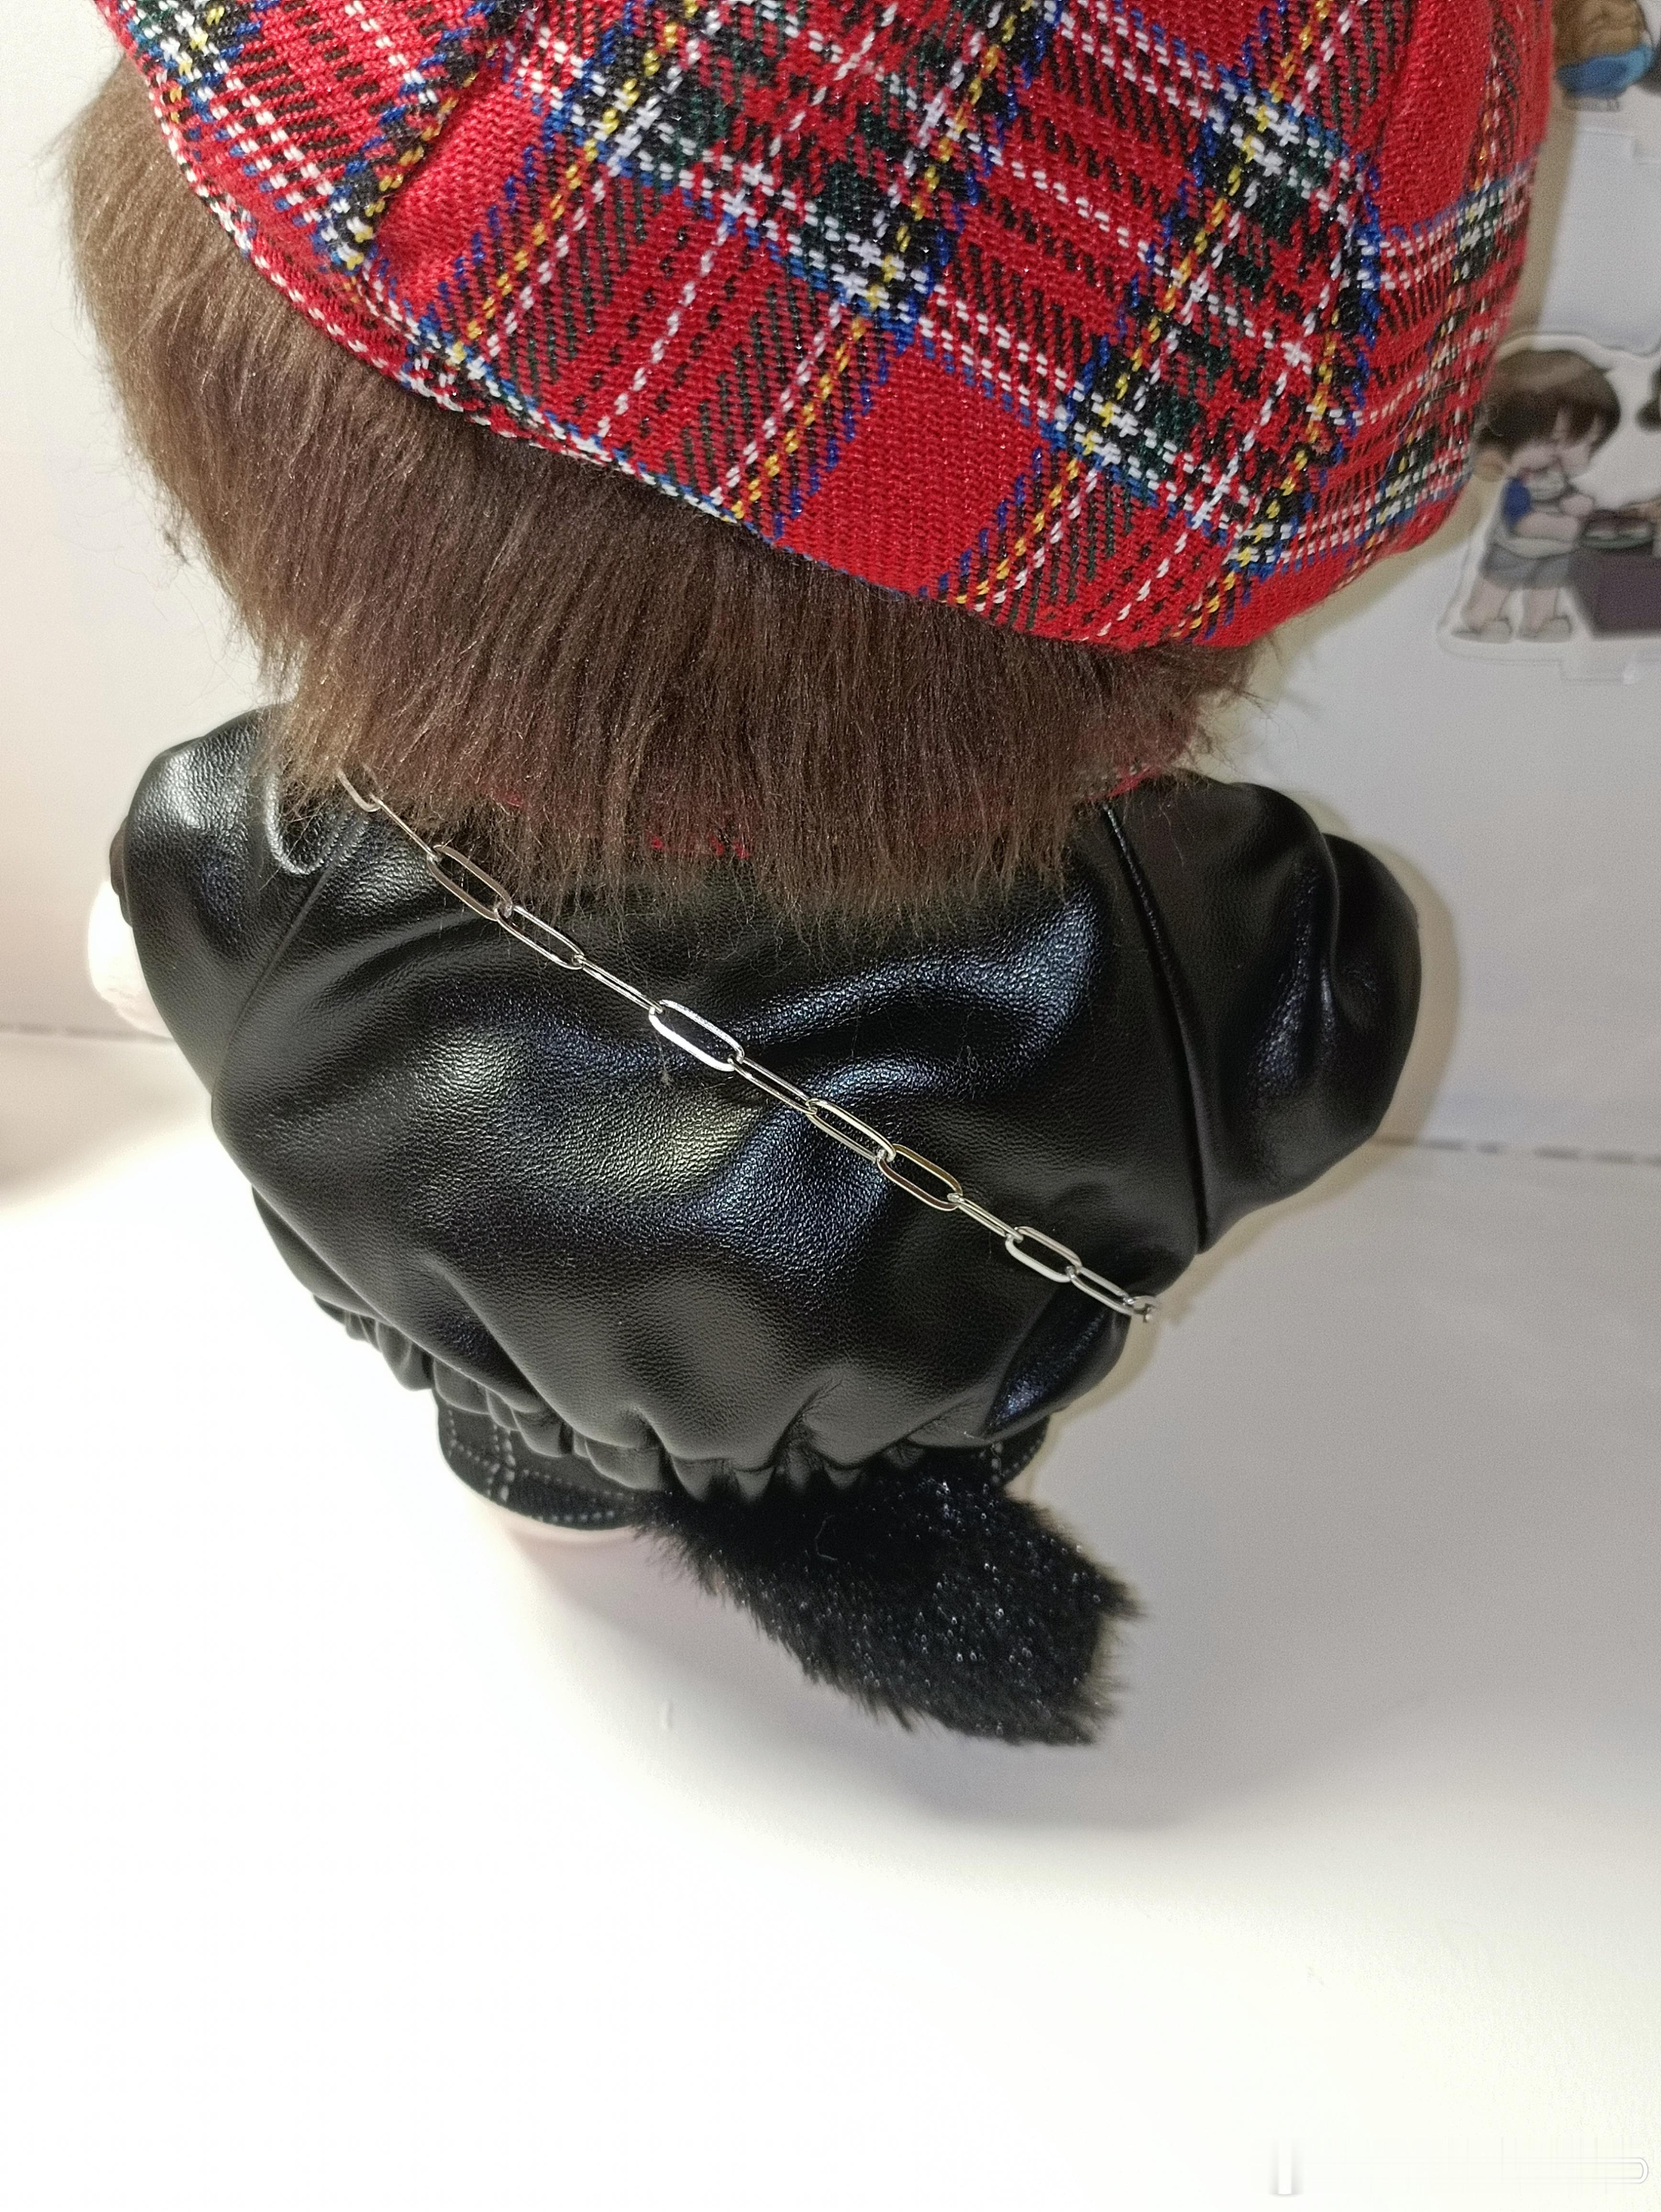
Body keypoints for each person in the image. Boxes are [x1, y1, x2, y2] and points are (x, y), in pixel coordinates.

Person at [69, 0, 1551, 1743]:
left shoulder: (258, 851)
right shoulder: (1190, 952)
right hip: (944, 1401)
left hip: (504, 1401)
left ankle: (562, 1509)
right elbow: (1337, 1014)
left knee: (538, 1493)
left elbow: (124, 960)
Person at [1459, 346, 1622, 643]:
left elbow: (1563, 495)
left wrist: (1575, 504)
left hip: (1555, 552)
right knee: (1499, 584)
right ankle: (1482, 617)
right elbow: (1522, 522)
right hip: (1515, 550)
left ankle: (1541, 622)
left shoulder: (1555, 476)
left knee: (1548, 588)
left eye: (1590, 442)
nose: (1572, 454)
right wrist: (1564, 527)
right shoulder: (1519, 484)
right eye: (1554, 441)